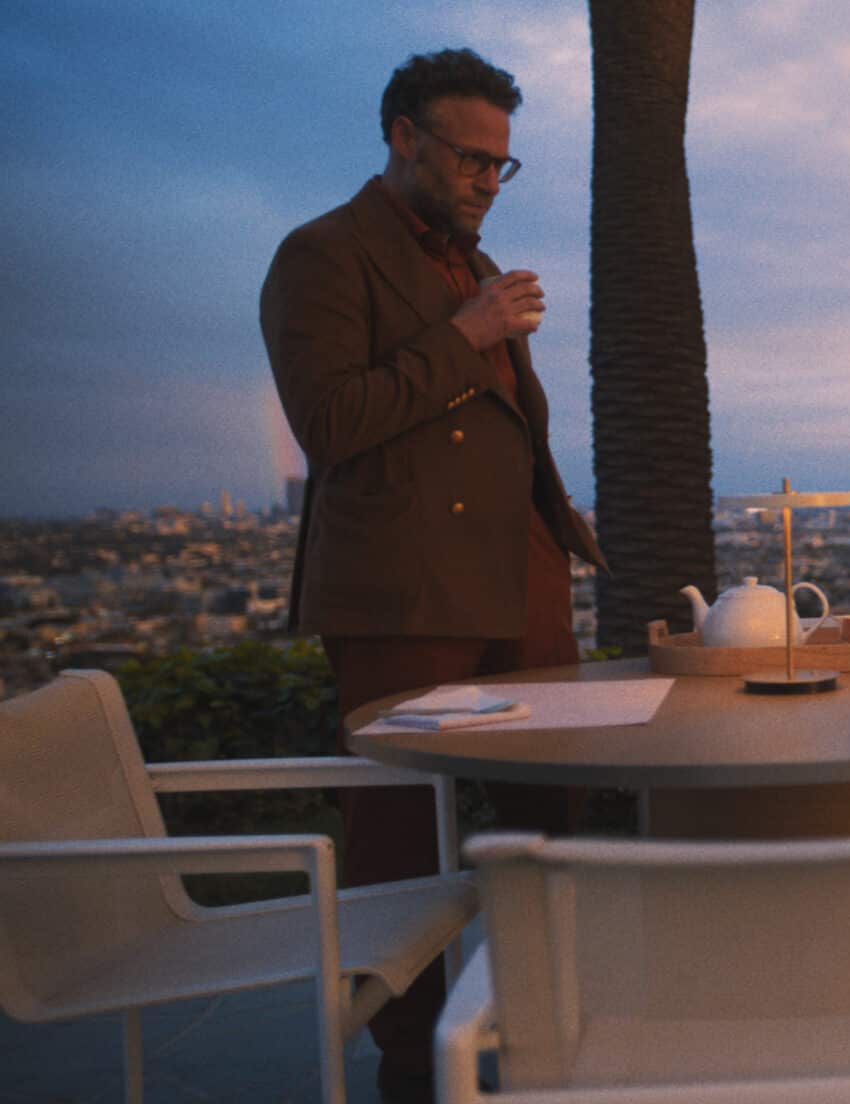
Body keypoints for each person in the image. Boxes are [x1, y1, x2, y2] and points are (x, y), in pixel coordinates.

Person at [259, 48, 605, 1102]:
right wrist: (468, 332)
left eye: (501, 165)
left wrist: (557, 519)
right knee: (404, 844)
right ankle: (409, 1065)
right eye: (468, 158)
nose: (485, 182)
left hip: (518, 581)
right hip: (405, 591)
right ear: (402, 136)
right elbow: (330, 423)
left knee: (556, 819)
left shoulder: (469, 262)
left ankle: (549, 1038)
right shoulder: (322, 254)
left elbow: (494, 427)